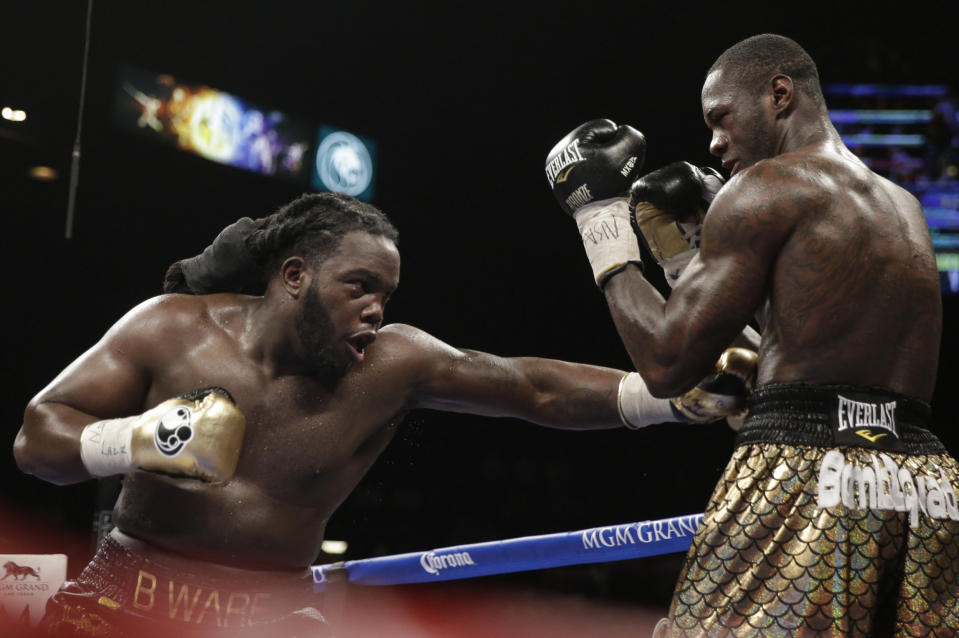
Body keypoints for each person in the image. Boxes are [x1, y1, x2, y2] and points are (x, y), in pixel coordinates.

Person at [14, 192, 753, 638]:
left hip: (274, 618)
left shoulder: (392, 363)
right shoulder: (170, 327)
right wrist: (142, 440)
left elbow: (530, 387)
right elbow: (37, 436)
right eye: (359, 286)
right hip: (125, 595)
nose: (375, 311)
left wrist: (668, 399)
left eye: (386, 295)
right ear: (294, 277)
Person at [546, 34, 959, 636]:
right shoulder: (903, 206)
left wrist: (599, 221)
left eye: (721, 117)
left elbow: (666, 365)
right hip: (928, 486)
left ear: (779, 94)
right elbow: (803, 339)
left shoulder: (766, 188)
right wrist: (688, 258)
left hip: (808, 470)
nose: (714, 141)